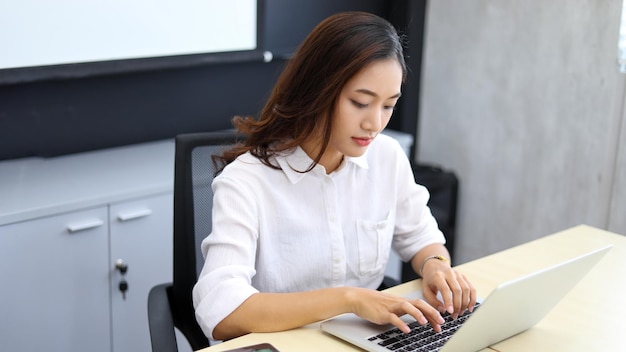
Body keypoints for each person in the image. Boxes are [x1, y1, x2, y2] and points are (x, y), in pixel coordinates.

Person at [192, 11, 476, 342]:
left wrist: (436, 264)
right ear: (317, 91)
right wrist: (349, 299)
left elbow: (420, 236)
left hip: (366, 339)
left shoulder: (387, 157)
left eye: (388, 106)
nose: (375, 123)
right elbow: (221, 312)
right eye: (360, 103)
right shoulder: (247, 182)